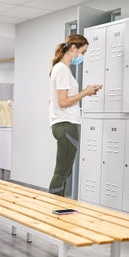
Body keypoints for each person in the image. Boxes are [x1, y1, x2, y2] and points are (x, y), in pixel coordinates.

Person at [48, 34, 102, 197]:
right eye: (83, 52)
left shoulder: (60, 68)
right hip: (66, 125)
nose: (82, 56)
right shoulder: (62, 70)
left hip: (63, 125)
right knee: (61, 173)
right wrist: (85, 92)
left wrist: (85, 92)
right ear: (73, 48)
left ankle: (58, 207)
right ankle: (53, 209)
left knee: (65, 171)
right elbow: (63, 101)